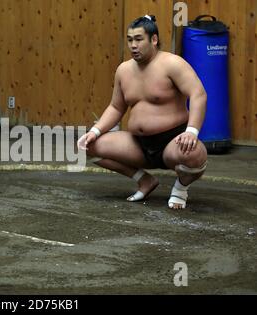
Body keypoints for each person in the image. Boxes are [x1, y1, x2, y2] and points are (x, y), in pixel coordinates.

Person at [78, 15, 208, 210]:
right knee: (89, 146)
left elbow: (198, 94)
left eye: (138, 39)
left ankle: (181, 188)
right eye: (130, 40)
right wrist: (94, 131)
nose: (133, 45)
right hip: (138, 144)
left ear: (153, 40)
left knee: (195, 155)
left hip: (173, 142)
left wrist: (192, 131)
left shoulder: (172, 64)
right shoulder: (123, 70)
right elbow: (116, 107)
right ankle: (145, 180)